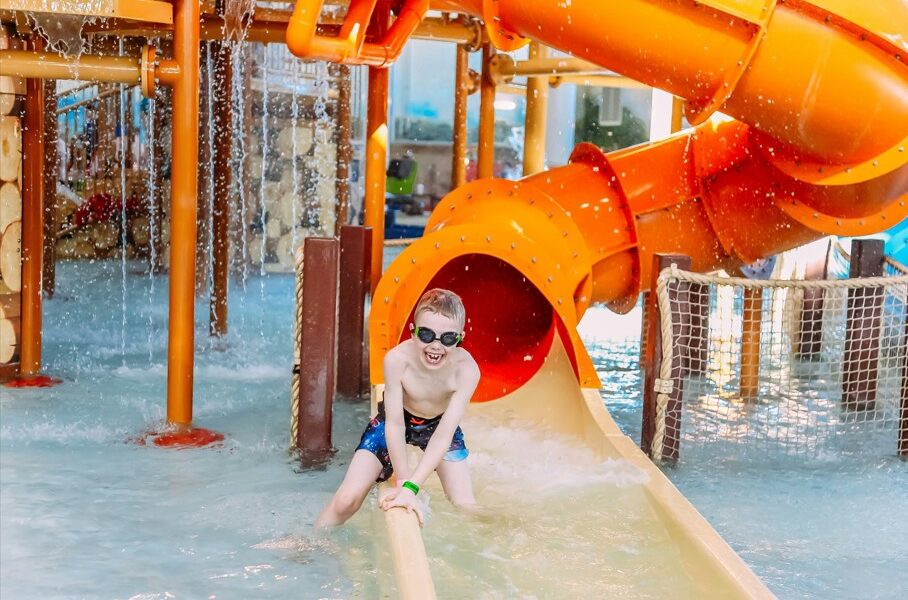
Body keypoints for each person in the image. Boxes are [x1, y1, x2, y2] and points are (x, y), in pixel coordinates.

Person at [315, 289, 481, 528]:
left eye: (447, 338)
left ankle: (509, 529)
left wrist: (414, 486)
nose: (436, 346)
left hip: (438, 426)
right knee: (345, 501)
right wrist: (404, 481)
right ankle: (310, 544)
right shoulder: (397, 361)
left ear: (459, 338)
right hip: (394, 421)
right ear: (412, 332)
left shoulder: (466, 371)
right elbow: (394, 424)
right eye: (426, 334)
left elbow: (444, 434)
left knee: (466, 506)